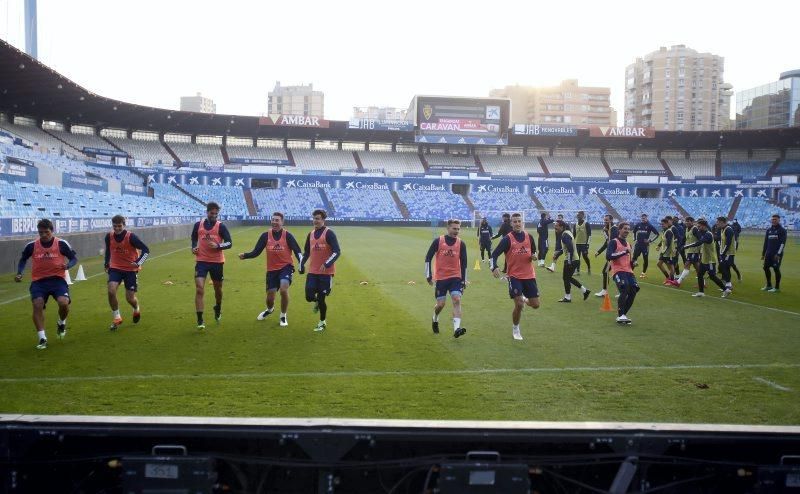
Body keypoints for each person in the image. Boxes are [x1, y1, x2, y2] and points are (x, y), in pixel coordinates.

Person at [14, 219, 78, 349]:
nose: (43, 235)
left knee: (64, 303)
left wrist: (68, 266)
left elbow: (74, 258)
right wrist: (19, 272)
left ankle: (61, 323)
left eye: (46, 232)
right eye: (40, 232)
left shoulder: (61, 243)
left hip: (57, 280)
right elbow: (23, 259)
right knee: (37, 304)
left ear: (52, 231)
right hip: (39, 282)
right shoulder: (31, 245)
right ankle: (42, 338)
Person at [239, 212, 303, 327]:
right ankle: (270, 309)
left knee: (284, 290)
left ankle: (283, 315)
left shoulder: (287, 235)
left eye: (277, 220)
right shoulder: (265, 236)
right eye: (273, 220)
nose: (274, 222)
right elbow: (256, 252)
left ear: (282, 222)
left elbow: (298, 251)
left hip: (286, 267)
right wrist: (246, 255)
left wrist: (301, 263)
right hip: (272, 270)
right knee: (270, 298)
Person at [490, 213, 540, 340]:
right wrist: (494, 267)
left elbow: (534, 251)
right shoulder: (507, 239)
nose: (517, 223)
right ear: (511, 224)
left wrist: (534, 255)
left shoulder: (529, 237)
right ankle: (516, 329)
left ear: (522, 222)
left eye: (519, 221)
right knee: (518, 304)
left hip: (529, 275)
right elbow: (494, 254)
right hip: (514, 276)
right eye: (515, 221)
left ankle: (524, 299)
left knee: (535, 305)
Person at [104, 215, 150, 331]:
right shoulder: (109, 236)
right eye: (115, 226)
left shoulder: (131, 237)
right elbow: (108, 250)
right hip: (115, 268)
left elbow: (146, 250)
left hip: (130, 270)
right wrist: (106, 263)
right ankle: (117, 317)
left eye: (119, 226)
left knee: (130, 298)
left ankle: (136, 309)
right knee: (111, 290)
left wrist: (139, 262)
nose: (117, 228)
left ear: (124, 225)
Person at [191, 202, 232, 330]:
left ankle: (218, 307)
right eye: (211, 213)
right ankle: (200, 319)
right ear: (207, 212)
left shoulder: (221, 227)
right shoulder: (198, 225)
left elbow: (230, 243)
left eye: (216, 214)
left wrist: (218, 246)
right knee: (199, 288)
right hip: (201, 261)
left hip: (217, 262)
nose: (214, 215)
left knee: (218, 290)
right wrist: (193, 247)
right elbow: (193, 238)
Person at [299, 209, 341, 332]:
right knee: (308, 296)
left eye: (317, 218)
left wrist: (327, 264)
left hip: (326, 274)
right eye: (314, 218)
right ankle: (316, 301)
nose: (315, 221)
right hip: (312, 272)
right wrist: (301, 264)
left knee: (322, 298)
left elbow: (337, 251)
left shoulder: (329, 233)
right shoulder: (310, 234)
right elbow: (307, 252)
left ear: (323, 220)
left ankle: (322, 322)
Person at [425, 219, 467, 337]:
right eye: (454, 228)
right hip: (441, 278)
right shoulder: (439, 241)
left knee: (457, 299)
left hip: (455, 277)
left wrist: (463, 280)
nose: (456, 231)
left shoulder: (461, 243)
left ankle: (456, 329)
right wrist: (428, 275)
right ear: (448, 228)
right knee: (440, 305)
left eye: (458, 229)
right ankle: (435, 318)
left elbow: (464, 263)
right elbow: (428, 257)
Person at [681, 219, 730, 298]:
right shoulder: (703, 233)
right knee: (700, 274)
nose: (698, 227)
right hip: (704, 259)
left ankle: (726, 290)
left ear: (703, 226)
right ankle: (701, 292)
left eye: (699, 226)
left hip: (710, 260)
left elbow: (699, 242)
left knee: (712, 276)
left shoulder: (708, 235)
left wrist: (686, 246)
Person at [606, 222, 639, 324]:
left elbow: (629, 260)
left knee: (633, 291)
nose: (627, 231)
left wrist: (633, 262)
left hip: (629, 271)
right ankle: (621, 316)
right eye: (625, 228)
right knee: (624, 289)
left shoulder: (629, 244)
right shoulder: (613, 242)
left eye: (628, 229)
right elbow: (608, 256)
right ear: (619, 230)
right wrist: (624, 251)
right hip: (618, 271)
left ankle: (623, 315)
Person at [552, 220, 591, 302]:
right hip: (575, 260)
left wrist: (569, 260)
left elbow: (570, 248)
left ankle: (568, 297)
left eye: (556, 225)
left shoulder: (565, 235)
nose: (555, 227)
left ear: (562, 227)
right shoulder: (567, 233)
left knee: (566, 278)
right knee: (568, 278)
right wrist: (557, 254)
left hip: (571, 260)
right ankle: (584, 291)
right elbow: (566, 248)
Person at [594, 214, 619, 297]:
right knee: (614, 273)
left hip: (616, 255)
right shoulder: (606, 230)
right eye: (604, 220)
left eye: (607, 220)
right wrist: (599, 251)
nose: (605, 221)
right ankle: (622, 291)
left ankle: (605, 291)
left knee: (607, 272)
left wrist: (606, 232)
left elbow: (612, 241)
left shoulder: (614, 229)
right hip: (613, 255)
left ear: (611, 220)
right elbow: (607, 243)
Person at [761, 214, 786, 293]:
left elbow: (783, 243)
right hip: (768, 253)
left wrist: (778, 254)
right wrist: (763, 253)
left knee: (776, 269)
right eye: (773, 219)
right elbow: (766, 243)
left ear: (779, 220)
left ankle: (777, 288)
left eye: (775, 219)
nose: (774, 221)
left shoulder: (782, 230)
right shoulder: (769, 230)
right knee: (765, 268)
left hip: (776, 254)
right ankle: (769, 285)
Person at [632, 213, 659, 279]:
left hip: (645, 246)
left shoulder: (649, 225)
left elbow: (657, 234)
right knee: (634, 258)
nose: (643, 219)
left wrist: (650, 240)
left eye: (644, 218)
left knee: (645, 259)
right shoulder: (638, 224)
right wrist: (634, 238)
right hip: (638, 244)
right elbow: (634, 231)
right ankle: (630, 272)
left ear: (647, 218)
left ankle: (643, 273)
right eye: (642, 218)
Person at [676, 217, 700, 285]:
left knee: (687, 265)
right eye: (686, 221)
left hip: (694, 251)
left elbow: (700, 240)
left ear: (692, 222)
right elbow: (684, 239)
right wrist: (679, 247)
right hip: (690, 251)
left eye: (688, 221)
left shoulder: (695, 229)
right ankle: (703, 283)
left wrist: (695, 247)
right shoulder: (686, 229)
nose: (686, 222)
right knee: (697, 268)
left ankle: (678, 282)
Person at [715, 217, 735, 293]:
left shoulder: (728, 230)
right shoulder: (723, 229)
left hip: (728, 253)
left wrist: (722, 253)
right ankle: (728, 284)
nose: (717, 223)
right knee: (724, 268)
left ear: (722, 222)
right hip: (725, 253)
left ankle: (728, 284)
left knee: (723, 267)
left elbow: (728, 243)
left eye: (718, 222)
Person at [656, 217, 678, 286]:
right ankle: (668, 277)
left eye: (663, 224)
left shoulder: (669, 232)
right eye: (661, 224)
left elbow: (668, 243)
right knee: (659, 264)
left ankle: (672, 281)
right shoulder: (664, 231)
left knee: (671, 267)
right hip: (664, 252)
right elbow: (663, 240)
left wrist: (663, 251)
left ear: (667, 224)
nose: (662, 225)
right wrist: (659, 246)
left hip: (669, 253)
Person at [572, 211, 591, 275]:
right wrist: (572, 242)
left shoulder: (586, 224)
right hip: (577, 243)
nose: (578, 216)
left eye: (579, 215)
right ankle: (577, 271)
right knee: (577, 257)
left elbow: (589, 235)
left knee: (585, 256)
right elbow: (574, 235)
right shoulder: (575, 224)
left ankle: (589, 267)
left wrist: (587, 244)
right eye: (577, 215)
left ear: (583, 215)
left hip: (584, 244)